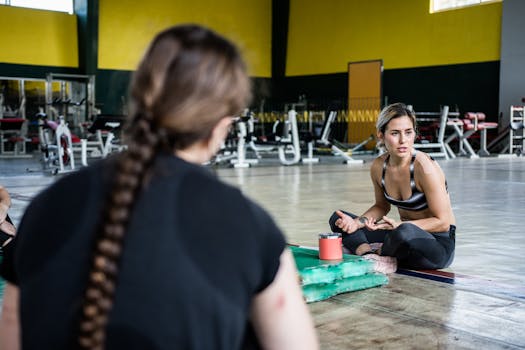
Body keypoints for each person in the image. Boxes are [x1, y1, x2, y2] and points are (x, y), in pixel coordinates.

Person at [0, 24, 318, 350]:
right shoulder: (250, 227)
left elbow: (11, 339)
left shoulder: (44, 209)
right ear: (223, 122)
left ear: (139, 101)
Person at [328, 103, 456, 274]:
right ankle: (368, 254)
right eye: (395, 133)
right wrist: (357, 224)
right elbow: (382, 206)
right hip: (399, 233)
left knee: (404, 232)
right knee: (338, 219)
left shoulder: (425, 168)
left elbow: (443, 222)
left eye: (408, 132)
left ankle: (378, 251)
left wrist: (399, 226)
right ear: (381, 135)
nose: (403, 140)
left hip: (437, 244)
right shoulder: (379, 166)